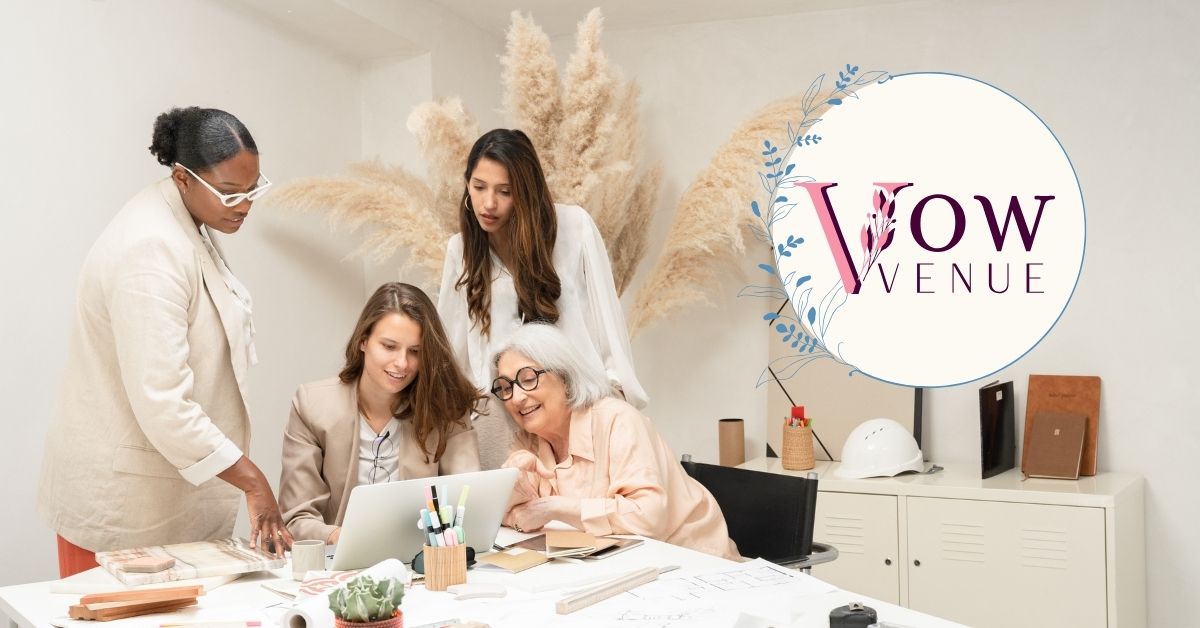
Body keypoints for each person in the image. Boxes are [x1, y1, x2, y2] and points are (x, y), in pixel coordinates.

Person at [37, 107, 289, 577]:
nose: (245, 205)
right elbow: (164, 402)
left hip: (160, 496)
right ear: (183, 178)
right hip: (122, 507)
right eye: (230, 192)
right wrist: (253, 481)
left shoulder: (185, 219)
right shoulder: (151, 248)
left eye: (253, 189)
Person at [438, 129, 647, 468]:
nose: (488, 203)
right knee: (506, 497)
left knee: (590, 501)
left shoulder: (574, 228)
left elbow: (606, 320)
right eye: (478, 187)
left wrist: (615, 396)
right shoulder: (460, 251)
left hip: (577, 400)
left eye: (504, 191)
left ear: (525, 192)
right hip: (505, 410)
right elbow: (451, 352)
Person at [494, 324, 739, 560]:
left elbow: (648, 517)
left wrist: (555, 508)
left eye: (528, 379)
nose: (516, 398)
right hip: (616, 563)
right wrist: (511, 487)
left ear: (565, 377)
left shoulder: (617, 420)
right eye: (505, 388)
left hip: (692, 558)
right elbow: (503, 517)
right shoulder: (527, 442)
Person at [278, 282, 482, 544]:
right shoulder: (312, 405)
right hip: (339, 556)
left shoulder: (446, 408)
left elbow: (470, 497)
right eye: (389, 346)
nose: (402, 363)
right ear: (363, 340)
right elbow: (297, 517)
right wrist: (344, 538)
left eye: (415, 351)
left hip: (423, 556)